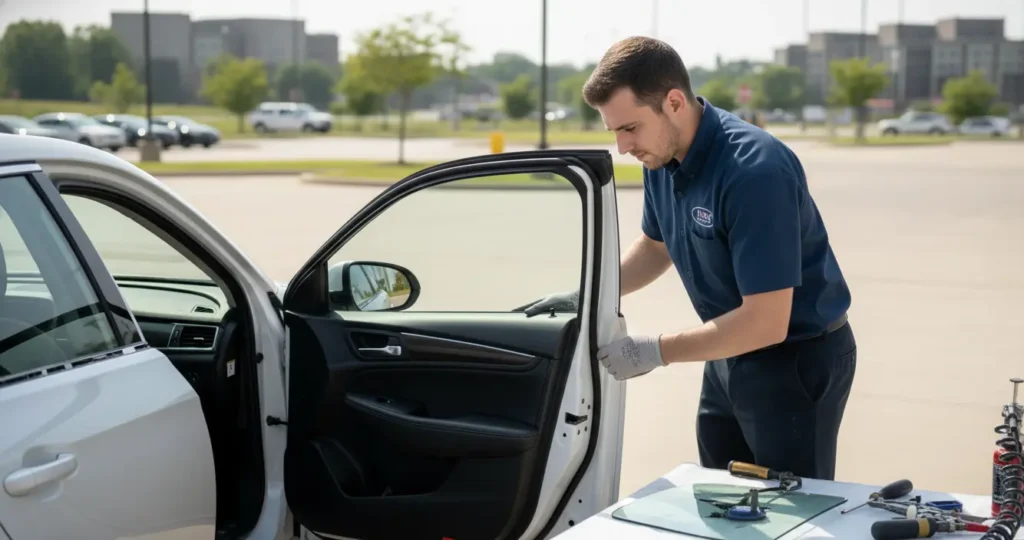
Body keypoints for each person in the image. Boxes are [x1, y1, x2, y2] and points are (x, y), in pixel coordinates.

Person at [515, 36, 856, 481]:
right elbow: (657, 247)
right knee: (722, 498)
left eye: (630, 128)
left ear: (674, 102)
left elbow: (767, 321)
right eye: (614, 131)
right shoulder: (662, 156)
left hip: (792, 361)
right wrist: (589, 292)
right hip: (726, 353)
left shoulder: (754, 171)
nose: (622, 147)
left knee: (790, 512)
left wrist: (655, 350)